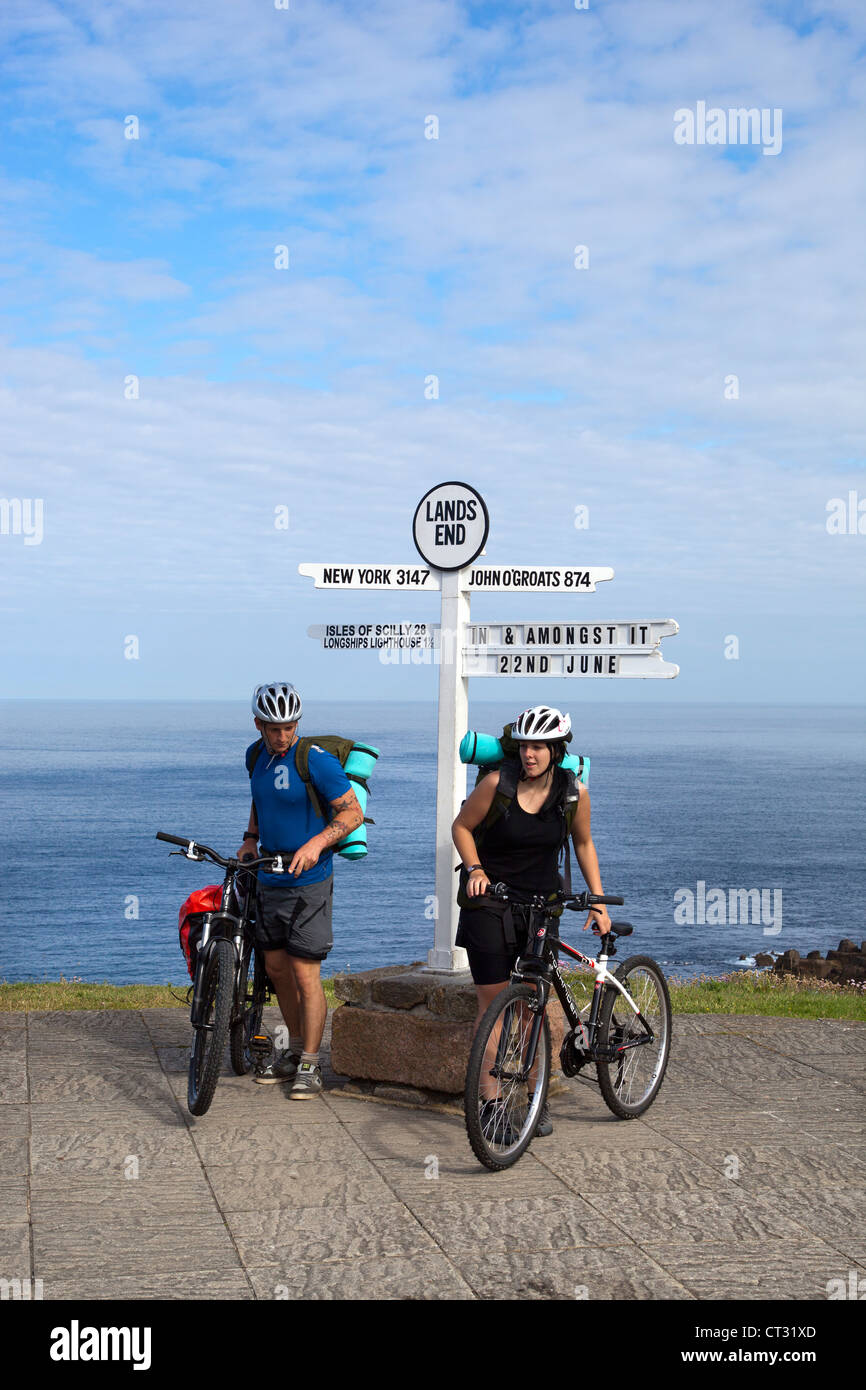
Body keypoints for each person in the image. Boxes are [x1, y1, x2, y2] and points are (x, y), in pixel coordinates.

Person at [452, 704, 611, 1136]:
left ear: (556, 750)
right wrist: (475, 870)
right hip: (490, 902)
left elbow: (584, 843)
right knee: (492, 1006)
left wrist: (597, 902)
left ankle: (535, 1098)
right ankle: (490, 1104)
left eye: (539, 746)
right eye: (524, 746)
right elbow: (461, 827)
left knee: (529, 1008)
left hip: (543, 907)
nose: (530, 754)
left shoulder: (573, 794)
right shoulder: (495, 785)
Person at [238, 681, 363, 1099]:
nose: (282, 735)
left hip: (309, 881)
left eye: (289, 726)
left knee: (306, 973)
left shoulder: (317, 761)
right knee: (276, 970)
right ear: (258, 724)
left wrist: (316, 843)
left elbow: (353, 813)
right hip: (267, 876)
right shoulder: (255, 756)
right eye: (273, 727)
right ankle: (293, 1050)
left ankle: (311, 1062)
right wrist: (250, 836)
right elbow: (261, 799)